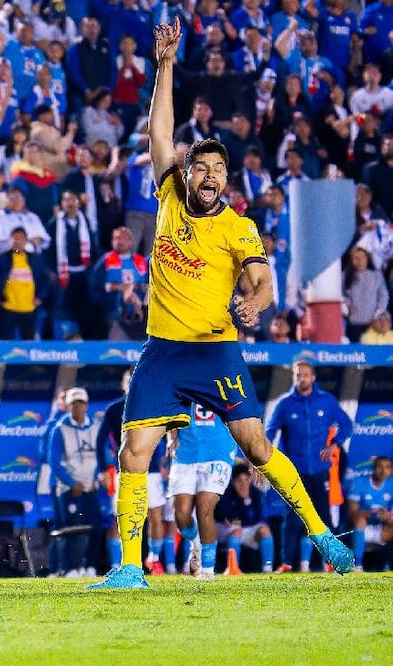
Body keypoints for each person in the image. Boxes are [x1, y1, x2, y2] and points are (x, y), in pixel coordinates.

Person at [90, 18, 354, 590]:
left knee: (257, 446)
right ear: (186, 175)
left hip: (216, 352)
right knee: (134, 455)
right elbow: (160, 132)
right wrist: (164, 65)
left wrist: (256, 304)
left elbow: (264, 284)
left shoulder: (240, 228)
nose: (206, 175)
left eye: (216, 169)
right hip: (163, 351)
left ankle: (322, 536)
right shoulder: (168, 193)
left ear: (227, 181)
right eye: (199, 167)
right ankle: (130, 568)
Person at [265, 359, 353, 572]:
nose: (301, 379)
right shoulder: (284, 403)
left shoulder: (326, 400)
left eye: (305, 375)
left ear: (313, 377)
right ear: (293, 377)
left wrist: (335, 444)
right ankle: (287, 564)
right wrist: (267, 456)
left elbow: (347, 424)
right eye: (297, 375)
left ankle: (329, 562)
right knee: (292, 519)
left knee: (323, 516)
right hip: (294, 472)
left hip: (320, 470)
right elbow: (269, 431)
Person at [168, 403, 242, 580]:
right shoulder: (179, 377)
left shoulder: (223, 378)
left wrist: (252, 452)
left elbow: (241, 411)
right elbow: (170, 408)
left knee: (204, 508)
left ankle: (208, 571)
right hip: (186, 451)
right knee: (181, 515)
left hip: (219, 450)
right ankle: (196, 543)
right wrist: (171, 437)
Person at [48, 387, 104, 577]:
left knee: (96, 527)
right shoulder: (60, 429)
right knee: (71, 527)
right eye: (74, 403)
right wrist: (72, 483)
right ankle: (70, 568)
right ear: (69, 406)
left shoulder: (96, 427)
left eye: (81, 403)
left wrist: (97, 476)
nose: (77, 407)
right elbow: (54, 461)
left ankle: (90, 566)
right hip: (69, 488)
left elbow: (101, 455)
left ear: (86, 405)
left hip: (91, 486)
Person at [347, 456, 393, 572]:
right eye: (380, 467)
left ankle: (387, 565)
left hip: (381, 529)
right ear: (373, 468)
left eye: (387, 467)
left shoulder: (391, 484)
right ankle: (357, 566)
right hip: (361, 527)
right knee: (359, 520)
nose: (383, 471)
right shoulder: (360, 482)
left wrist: (388, 517)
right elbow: (352, 512)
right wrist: (370, 513)